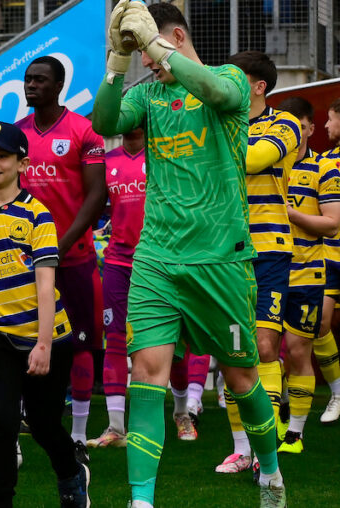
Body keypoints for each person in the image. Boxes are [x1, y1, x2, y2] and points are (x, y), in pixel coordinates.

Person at [93, 2, 286, 506]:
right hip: (157, 259)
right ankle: (141, 500)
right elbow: (105, 120)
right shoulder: (149, 93)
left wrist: (156, 46)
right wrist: (117, 62)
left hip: (220, 260)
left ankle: (270, 472)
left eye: (152, 48)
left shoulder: (231, 79)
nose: (149, 62)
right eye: (142, 52)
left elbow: (215, 91)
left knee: (243, 375)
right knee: (147, 372)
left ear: (175, 36)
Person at [0, 121, 89, 508]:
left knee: (44, 424)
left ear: (23, 164)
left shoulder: (38, 216)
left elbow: (46, 285)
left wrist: (44, 345)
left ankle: (71, 475)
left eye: (1, 155)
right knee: (0, 423)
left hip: (45, 338)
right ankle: (1, 502)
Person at [15, 55, 107, 457]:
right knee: (22, 341)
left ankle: (78, 434)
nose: (31, 85)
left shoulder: (85, 132)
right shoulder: (14, 135)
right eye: (27, 79)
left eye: (40, 80)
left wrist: (59, 245)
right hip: (22, 260)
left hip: (73, 257)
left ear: (58, 86)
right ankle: (29, 421)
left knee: (80, 344)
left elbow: (95, 196)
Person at [215, 50, 300, 475]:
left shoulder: (284, 124)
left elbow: (248, 160)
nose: (224, 84)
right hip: (223, 251)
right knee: (234, 350)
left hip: (269, 248)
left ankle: (267, 449)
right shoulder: (216, 120)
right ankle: (241, 448)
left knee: (264, 346)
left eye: (234, 77)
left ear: (258, 86)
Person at [277, 96, 340, 452]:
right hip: (268, 271)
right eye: (285, 128)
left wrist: (290, 213)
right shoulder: (267, 168)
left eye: (298, 128)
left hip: (307, 273)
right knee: (265, 351)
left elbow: (331, 225)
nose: (291, 135)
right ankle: (277, 415)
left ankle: (295, 434)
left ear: (310, 129)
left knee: (299, 349)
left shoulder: (323, 169)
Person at [87, 127, 144, 449]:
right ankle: (115, 426)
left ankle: (183, 411)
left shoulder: (162, 158)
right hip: (118, 264)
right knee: (115, 341)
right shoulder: (107, 162)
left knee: (167, 345)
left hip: (156, 263)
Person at [314, 98, 340, 424]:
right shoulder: (324, 161)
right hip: (330, 256)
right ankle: (337, 392)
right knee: (319, 323)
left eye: (331, 119)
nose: (325, 125)